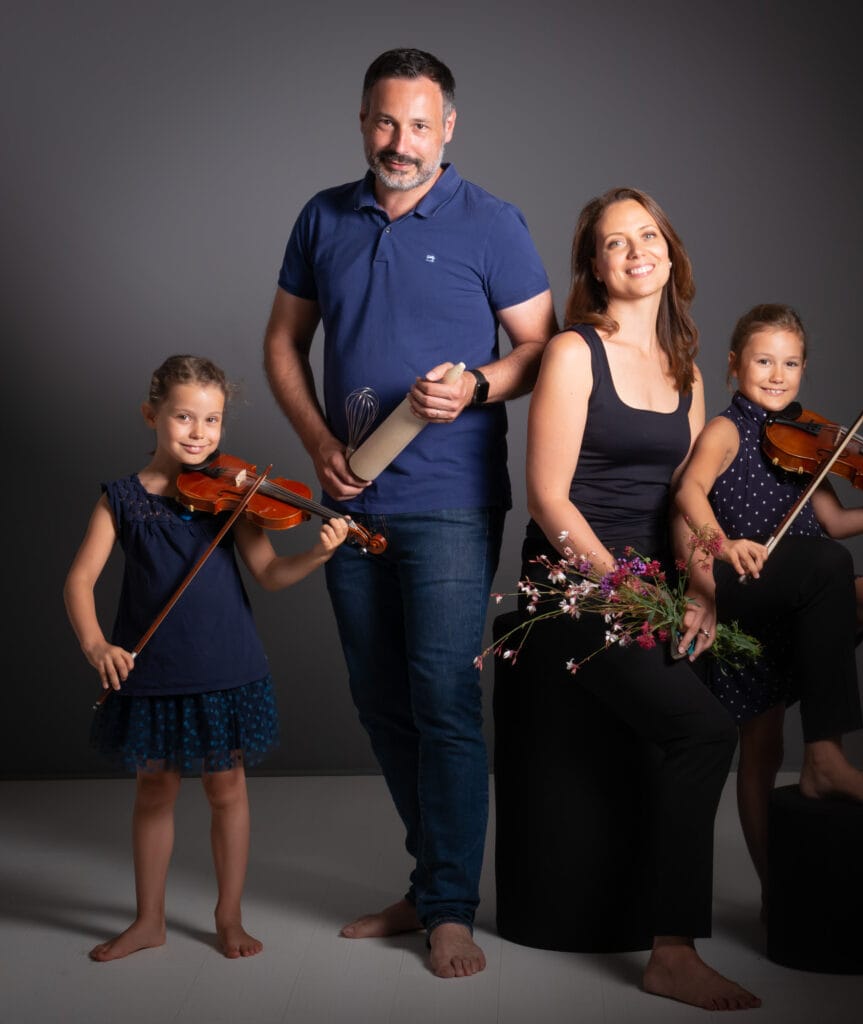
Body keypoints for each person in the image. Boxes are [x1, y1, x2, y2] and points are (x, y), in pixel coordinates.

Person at [262, 48, 556, 978]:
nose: (401, 142)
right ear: (362, 123)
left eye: (419, 124)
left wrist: (475, 385)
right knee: (379, 698)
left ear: (449, 128)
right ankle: (433, 880)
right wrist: (316, 444)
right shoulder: (323, 216)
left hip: (451, 503)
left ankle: (450, 911)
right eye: (385, 122)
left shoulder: (492, 223)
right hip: (348, 502)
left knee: (442, 699)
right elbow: (281, 345)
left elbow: (545, 353)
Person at [522, 186, 760, 1011]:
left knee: (719, 705)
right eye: (615, 242)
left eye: (648, 235)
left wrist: (702, 591)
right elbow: (549, 500)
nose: (636, 251)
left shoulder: (688, 373)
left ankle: (685, 915)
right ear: (594, 265)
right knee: (705, 729)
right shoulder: (571, 352)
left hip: (653, 585)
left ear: (670, 250)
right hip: (570, 588)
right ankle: (672, 952)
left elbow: (687, 506)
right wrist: (622, 592)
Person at [64, 355, 350, 962]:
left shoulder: (233, 496)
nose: (200, 434)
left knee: (228, 793)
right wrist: (97, 645)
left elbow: (270, 574)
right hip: (153, 671)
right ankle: (149, 920)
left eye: (212, 420)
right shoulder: (121, 499)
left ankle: (229, 918)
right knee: (154, 793)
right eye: (184, 418)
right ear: (152, 416)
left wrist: (319, 556)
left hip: (226, 667)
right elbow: (79, 583)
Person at [675, 302, 863, 895]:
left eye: (791, 362)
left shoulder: (804, 440)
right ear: (734, 366)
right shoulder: (726, 430)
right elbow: (689, 490)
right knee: (761, 745)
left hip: (809, 590)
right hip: (746, 586)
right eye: (763, 361)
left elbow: (832, 522)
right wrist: (724, 547)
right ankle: (776, 884)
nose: (777, 375)